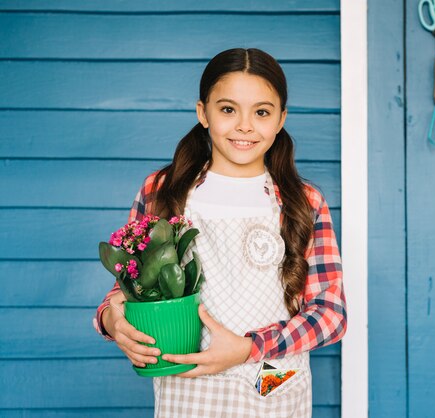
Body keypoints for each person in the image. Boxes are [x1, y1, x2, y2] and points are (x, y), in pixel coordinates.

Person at [93, 48, 347, 417]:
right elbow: (127, 286)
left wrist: (248, 349)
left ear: (281, 120)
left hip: (273, 384)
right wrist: (111, 320)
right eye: (228, 109)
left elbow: (331, 313)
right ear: (203, 113)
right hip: (189, 394)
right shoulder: (162, 190)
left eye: (261, 112)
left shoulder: (303, 201)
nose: (245, 125)